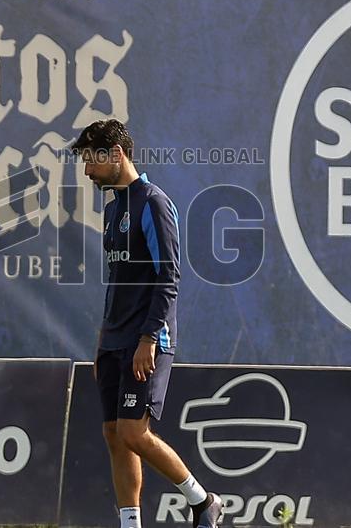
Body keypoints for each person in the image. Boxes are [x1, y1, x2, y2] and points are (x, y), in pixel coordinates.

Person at [71, 120, 223, 528]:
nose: (87, 172)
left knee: (134, 432)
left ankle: (202, 500)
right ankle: (130, 524)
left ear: (115, 154)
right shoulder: (113, 209)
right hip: (114, 340)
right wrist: (104, 338)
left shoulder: (153, 202)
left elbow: (168, 276)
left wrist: (149, 337)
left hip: (145, 340)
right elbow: (117, 280)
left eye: (91, 161)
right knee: (113, 435)